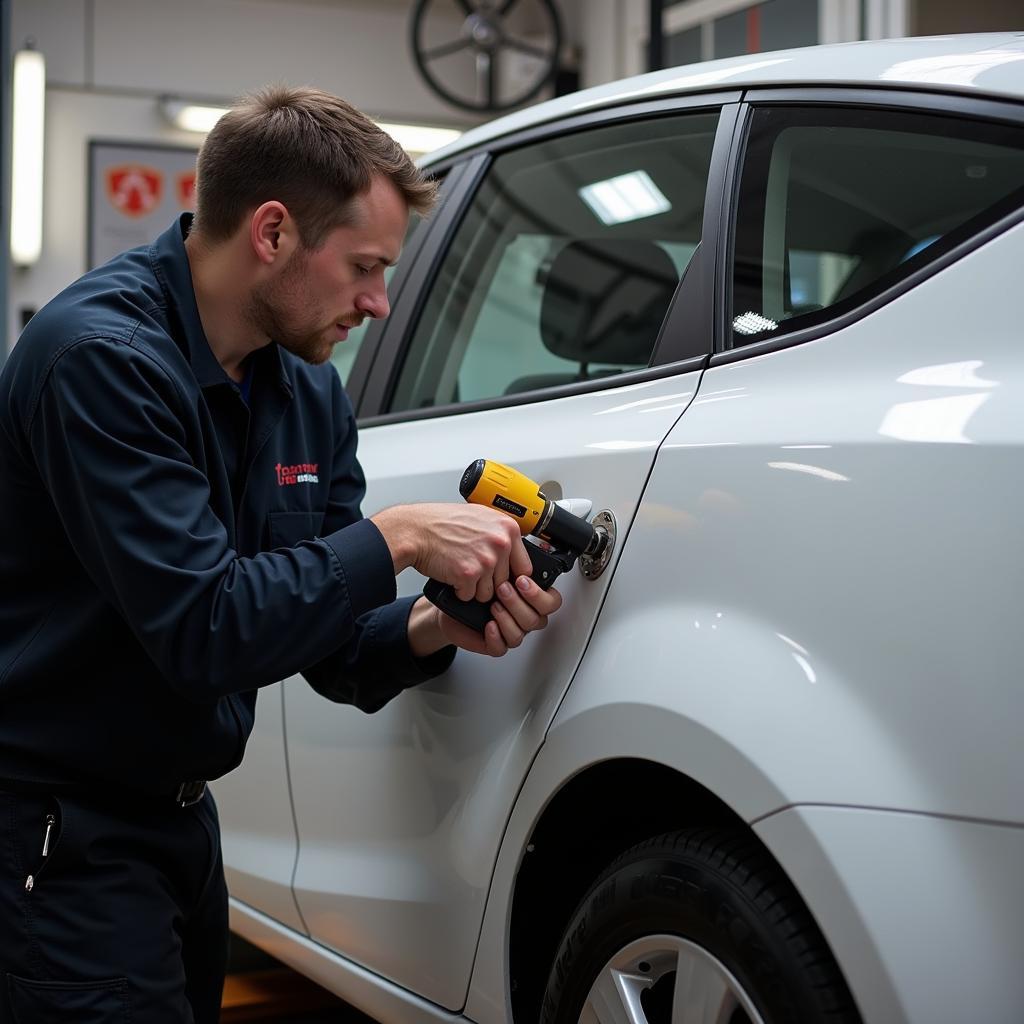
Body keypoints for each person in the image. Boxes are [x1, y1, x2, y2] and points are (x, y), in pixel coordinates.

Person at [0, 86, 562, 1023]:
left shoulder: (303, 392)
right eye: (364, 268)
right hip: (60, 836)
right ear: (271, 233)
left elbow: (328, 644)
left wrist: (433, 624)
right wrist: (403, 534)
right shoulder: (97, 362)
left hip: (182, 825)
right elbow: (207, 631)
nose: (379, 303)